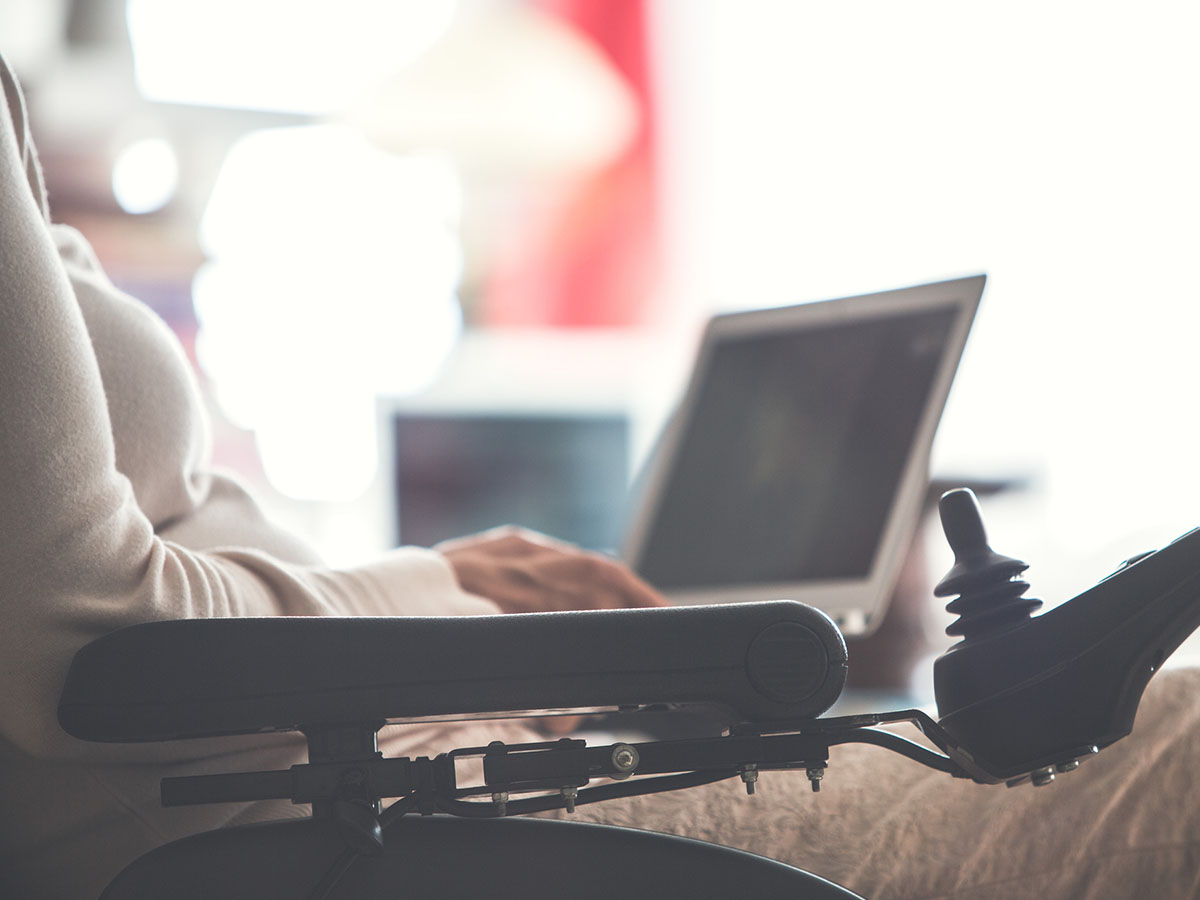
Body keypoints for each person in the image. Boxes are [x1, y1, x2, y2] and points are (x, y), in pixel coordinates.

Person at [4, 52, 1200, 900]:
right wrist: (450, 591)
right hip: (347, 834)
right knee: (1176, 750)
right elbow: (81, 650)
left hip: (420, 767)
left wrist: (482, 618)